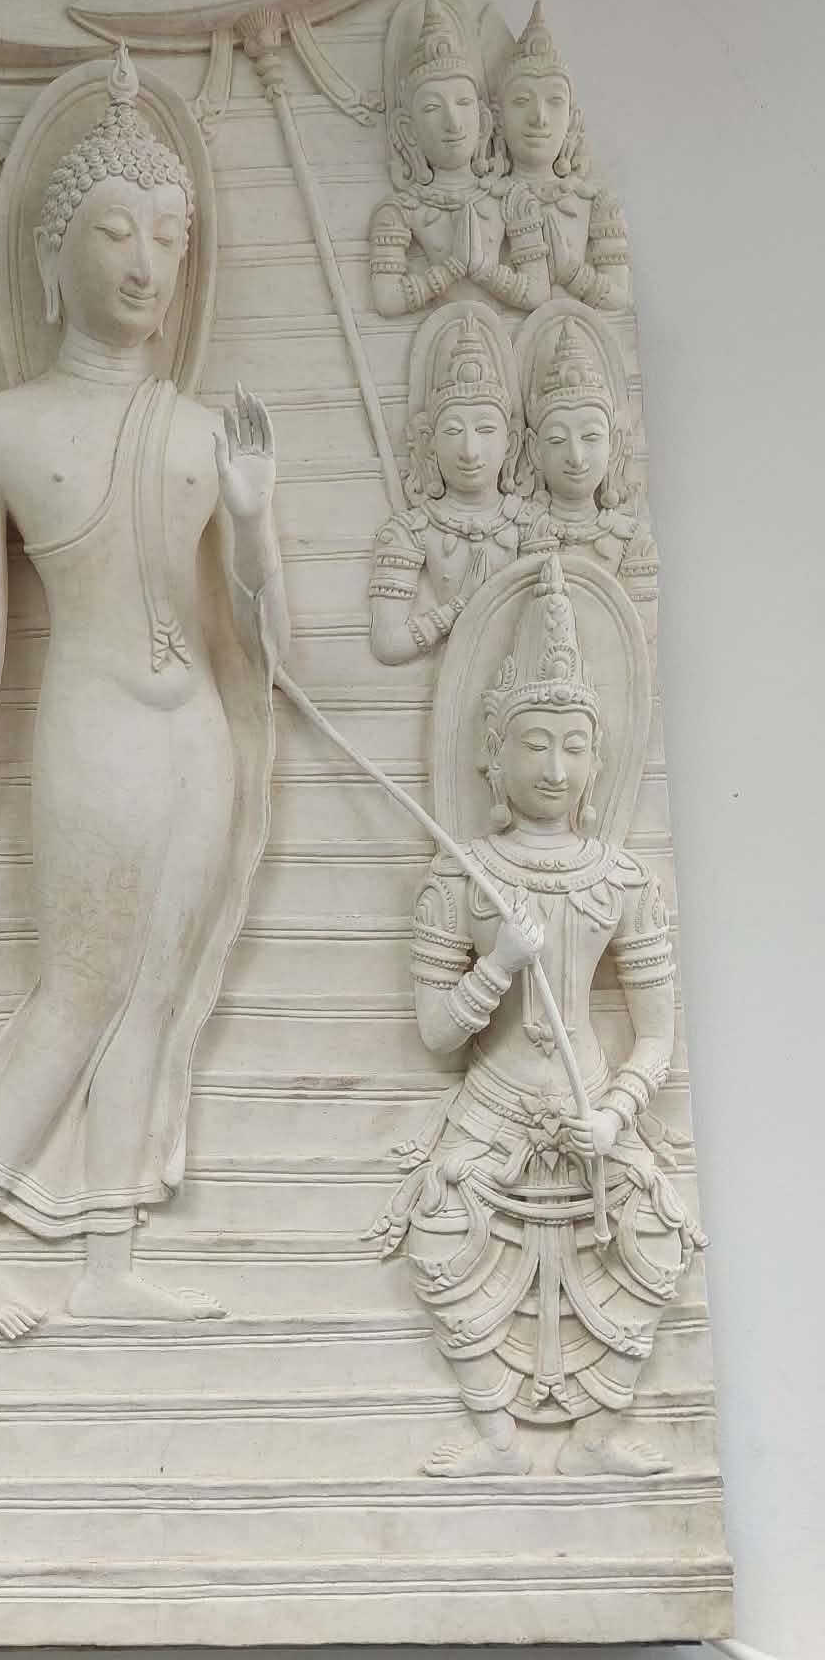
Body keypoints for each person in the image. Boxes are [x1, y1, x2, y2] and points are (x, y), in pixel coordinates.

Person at [0, 49, 286, 1338]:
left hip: (197, 740)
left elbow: (267, 646)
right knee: (84, 980)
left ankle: (108, 1260)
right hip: (94, 728)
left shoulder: (204, 432)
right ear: (52, 248)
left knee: (157, 992)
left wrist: (254, 520)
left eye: (170, 236)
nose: (146, 263)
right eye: (116, 230)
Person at [368, 556, 702, 1478]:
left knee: (657, 1239)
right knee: (439, 1237)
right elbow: (438, 1032)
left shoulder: (623, 881)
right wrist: (500, 966)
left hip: (593, 1105)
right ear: (494, 753)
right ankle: (493, 1434)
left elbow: (657, 1033)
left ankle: (597, 1434)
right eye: (535, 744)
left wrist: (616, 1113)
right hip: (495, 1106)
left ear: (598, 760)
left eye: (573, 747)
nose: (555, 768)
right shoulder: (460, 879)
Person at [369, 304, 532, 664]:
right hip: (450, 685)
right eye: (454, 431)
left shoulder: (533, 525)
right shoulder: (409, 530)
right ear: (429, 443)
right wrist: (460, 605)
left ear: (512, 442)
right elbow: (387, 644)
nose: (470, 450)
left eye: (485, 430)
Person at [370, 0, 549, 319]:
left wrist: (485, 271)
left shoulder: (513, 199)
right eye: (432, 108)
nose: (453, 123)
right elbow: (387, 300)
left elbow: (538, 292)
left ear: (484, 121)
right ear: (408, 130)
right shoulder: (400, 210)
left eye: (463, 104)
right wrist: (450, 268)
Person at [519, 309, 658, 646]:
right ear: (534, 450)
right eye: (557, 440)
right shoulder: (521, 532)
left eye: (591, 437)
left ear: (615, 445)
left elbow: (641, 636)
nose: (576, 456)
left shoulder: (632, 540)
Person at [491, 3, 632, 312]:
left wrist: (573, 273)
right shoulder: (486, 203)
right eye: (521, 101)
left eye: (554, 101)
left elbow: (620, 299)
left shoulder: (595, 203)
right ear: (498, 119)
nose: (539, 118)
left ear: (571, 119)